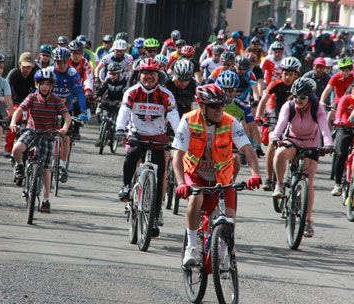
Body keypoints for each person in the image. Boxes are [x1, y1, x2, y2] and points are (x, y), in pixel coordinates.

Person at [172, 84, 261, 266]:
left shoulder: (230, 121)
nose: (220, 109)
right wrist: (181, 183)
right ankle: (191, 247)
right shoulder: (188, 120)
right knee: (196, 198)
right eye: (214, 106)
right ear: (202, 106)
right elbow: (177, 156)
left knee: (229, 216)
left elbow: (247, 149)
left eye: (222, 105)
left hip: (221, 176)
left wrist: (255, 173)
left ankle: (224, 248)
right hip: (194, 173)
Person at [115, 58, 180, 236]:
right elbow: (124, 111)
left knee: (159, 179)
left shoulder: (166, 94)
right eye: (145, 73)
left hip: (158, 137)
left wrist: (180, 136)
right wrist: (120, 128)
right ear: (139, 75)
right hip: (137, 134)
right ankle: (126, 186)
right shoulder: (132, 92)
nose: (149, 77)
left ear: (159, 76)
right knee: (132, 154)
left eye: (153, 73)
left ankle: (153, 215)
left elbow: (174, 116)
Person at [271, 77, 333, 238]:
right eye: (296, 96)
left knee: (309, 182)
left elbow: (324, 127)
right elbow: (281, 123)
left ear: (310, 97)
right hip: (292, 140)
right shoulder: (289, 106)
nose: (299, 100)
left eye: (303, 97)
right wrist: (276, 137)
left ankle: (308, 222)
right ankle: (279, 184)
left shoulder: (317, 108)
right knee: (279, 154)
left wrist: (328, 143)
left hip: (311, 144)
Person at [11, 68, 71, 213]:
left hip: (48, 135)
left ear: (51, 86)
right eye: (42, 83)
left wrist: (64, 128)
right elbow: (20, 110)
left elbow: (67, 116)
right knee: (16, 149)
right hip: (32, 131)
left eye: (47, 84)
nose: (45, 86)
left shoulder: (56, 100)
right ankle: (19, 166)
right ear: (37, 85)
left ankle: (45, 200)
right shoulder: (32, 97)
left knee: (45, 169)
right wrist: (13, 122)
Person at [255, 56, 301, 190]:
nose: (287, 77)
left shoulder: (300, 85)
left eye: (290, 74)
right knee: (271, 143)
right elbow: (264, 100)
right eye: (285, 73)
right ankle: (269, 179)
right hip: (277, 116)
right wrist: (258, 116)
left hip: (294, 117)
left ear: (296, 75)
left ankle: (294, 172)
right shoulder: (276, 84)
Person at [49, 47, 89, 183]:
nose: (61, 65)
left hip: (66, 109)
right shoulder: (49, 72)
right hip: (49, 108)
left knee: (65, 136)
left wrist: (83, 111)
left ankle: (63, 165)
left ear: (68, 61)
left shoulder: (72, 74)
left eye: (64, 62)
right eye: (58, 62)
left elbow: (79, 93)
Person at [330, 78, 354, 196]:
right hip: (345, 128)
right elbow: (339, 112)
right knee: (341, 153)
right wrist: (338, 120)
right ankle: (337, 184)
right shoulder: (346, 99)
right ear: (352, 89)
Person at [3, 52, 37, 156]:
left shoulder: (36, 75)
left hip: (30, 104)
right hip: (15, 103)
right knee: (12, 118)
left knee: (34, 123)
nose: (26, 69)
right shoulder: (14, 74)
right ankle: (8, 148)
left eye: (29, 67)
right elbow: (5, 86)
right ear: (19, 65)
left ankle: (32, 150)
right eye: (24, 66)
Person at [94, 62, 127, 146]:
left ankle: (116, 136)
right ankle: (101, 137)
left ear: (119, 73)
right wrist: (96, 95)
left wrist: (123, 102)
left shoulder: (124, 81)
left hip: (120, 100)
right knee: (105, 119)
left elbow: (126, 93)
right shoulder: (108, 80)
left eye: (114, 74)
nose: (112, 75)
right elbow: (102, 89)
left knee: (117, 119)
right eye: (110, 73)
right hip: (110, 100)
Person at [68, 39, 94, 139]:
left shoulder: (85, 63)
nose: (76, 56)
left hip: (79, 89)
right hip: (65, 88)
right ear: (70, 52)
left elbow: (88, 78)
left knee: (76, 104)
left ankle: (76, 129)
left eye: (79, 53)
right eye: (74, 53)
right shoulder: (65, 61)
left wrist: (88, 90)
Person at [319, 57, 354, 127]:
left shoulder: (353, 77)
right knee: (330, 113)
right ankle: (328, 132)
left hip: (351, 102)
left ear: (350, 70)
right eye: (342, 70)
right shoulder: (336, 77)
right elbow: (327, 89)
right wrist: (321, 101)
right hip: (338, 102)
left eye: (347, 70)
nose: (344, 73)